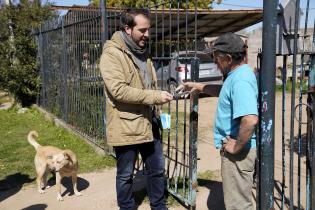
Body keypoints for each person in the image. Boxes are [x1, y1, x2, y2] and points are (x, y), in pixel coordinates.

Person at [99, 8, 173, 210]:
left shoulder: (142, 50)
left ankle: (159, 206)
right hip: (126, 124)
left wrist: (158, 98)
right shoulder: (111, 54)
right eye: (142, 30)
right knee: (125, 174)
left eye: (148, 29)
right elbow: (118, 91)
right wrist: (155, 97)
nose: (147, 35)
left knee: (157, 170)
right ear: (127, 28)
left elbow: (146, 84)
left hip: (150, 121)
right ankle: (127, 207)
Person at [177, 33, 258, 210]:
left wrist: (236, 147)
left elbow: (250, 120)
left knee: (238, 205)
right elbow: (224, 91)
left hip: (239, 152)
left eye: (216, 58)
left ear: (228, 58)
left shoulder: (241, 80)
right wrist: (196, 85)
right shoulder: (237, 75)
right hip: (237, 150)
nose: (214, 62)